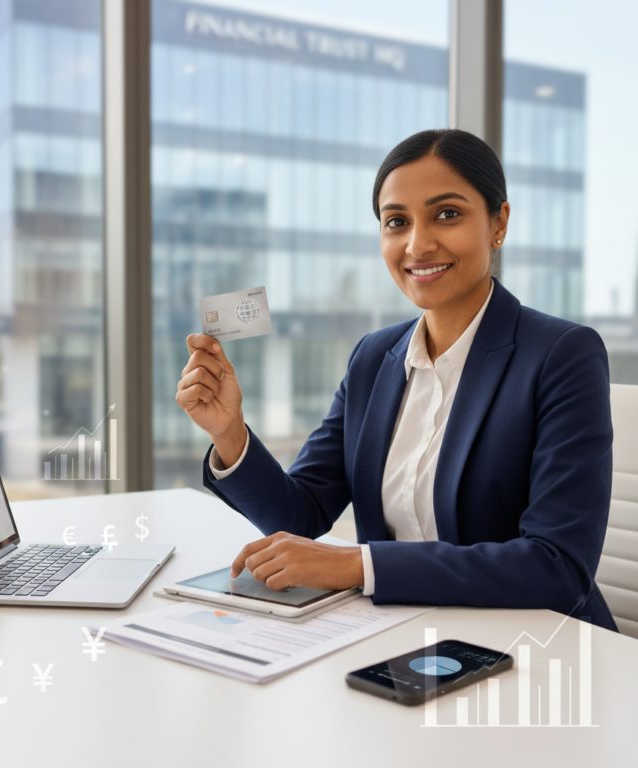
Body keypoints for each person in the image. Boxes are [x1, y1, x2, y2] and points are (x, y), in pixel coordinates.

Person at [175, 128, 618, 632]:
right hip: (398, 634)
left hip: (533, 644)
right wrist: (229, 431)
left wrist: (358, 565)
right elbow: (301, 515)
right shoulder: (373, 358)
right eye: (397, 222)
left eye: (447, 214)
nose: (418, 244)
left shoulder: (562, 355)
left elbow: (557, 567)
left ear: (498, 223)